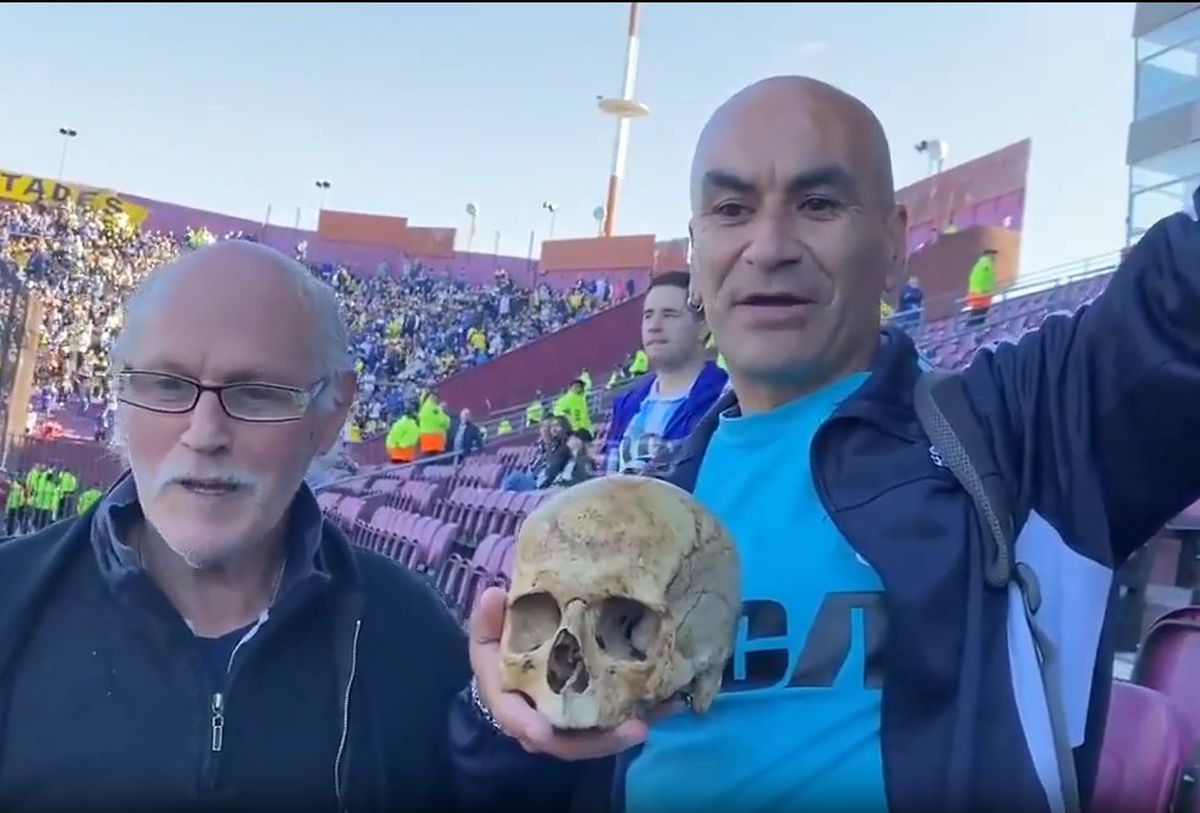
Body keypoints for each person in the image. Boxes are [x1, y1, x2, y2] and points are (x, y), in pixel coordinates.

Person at [451, 76, 1200, 813]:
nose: (769, 245)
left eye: (817, 203)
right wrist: (498, 721)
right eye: (732, 208)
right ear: (698, 252)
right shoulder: (636, 515)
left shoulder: (1023, 429)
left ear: (894, 241)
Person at [0, 241, 468, 811]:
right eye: (167, 384)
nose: (204, 433)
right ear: (121, 393)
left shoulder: (417, 640)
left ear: (331, 413)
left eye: (255, 393)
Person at [605, 271, 727, 475]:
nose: (654, 326)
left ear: (703, 326)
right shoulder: (626, 405)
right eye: (648, 315)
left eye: (669, 314)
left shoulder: (727, 398)